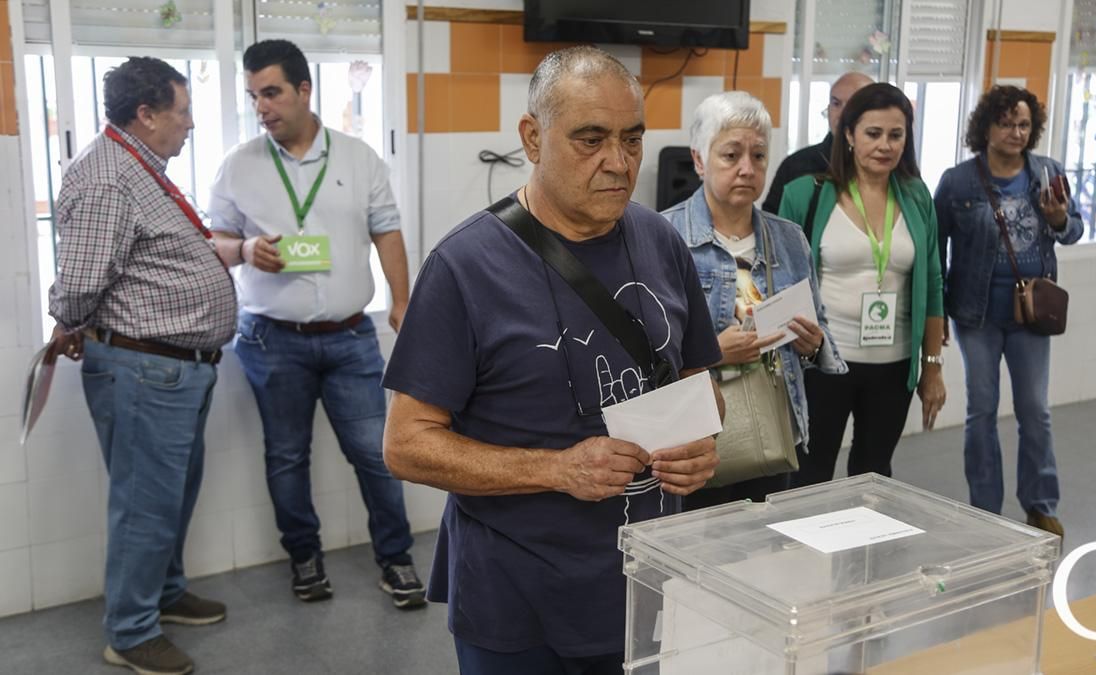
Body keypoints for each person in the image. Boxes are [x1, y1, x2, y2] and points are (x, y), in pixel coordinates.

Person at [381, 46, 722, 674]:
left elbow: (701, 375)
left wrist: (702, 437)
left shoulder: (660, 240)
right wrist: (557, 470)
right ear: (533, 138)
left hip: (648, 579)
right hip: (517, 599)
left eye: (632, 140)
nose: (618, 163)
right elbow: (406, 444)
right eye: (590, 140)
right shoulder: (464, 266)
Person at [208, 39, 425, 609]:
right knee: (286, 455)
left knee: (376, 453)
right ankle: (304, 558)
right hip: (271, 340)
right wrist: (247, 248)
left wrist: (402, 301)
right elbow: (215, 241)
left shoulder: (358, 159)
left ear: (305, 90)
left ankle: (396, 560)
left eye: (272, 92)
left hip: (351, 337)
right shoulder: (239, 166)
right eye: (254, 96)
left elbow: (387, 231)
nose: (262, 106)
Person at [47, 57, 236, 675]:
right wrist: (70, 321)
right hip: (142, 369)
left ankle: (164, 592)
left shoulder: (139, 168)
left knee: (171, 496)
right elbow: (77, 285)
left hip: (175, 367)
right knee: (145, 504)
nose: (188, 126)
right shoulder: (108, 177)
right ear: (146, 114)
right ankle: (129, 632)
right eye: (182, 114)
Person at [662, 91, 847, 509]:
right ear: (699, 160)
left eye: (759, 156)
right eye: (731, 155)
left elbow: (823, 339)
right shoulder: (662, 236)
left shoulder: (788, 238)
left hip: (772, 429)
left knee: (761, 555)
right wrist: (711, 355)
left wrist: (813, 344)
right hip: (693, 439)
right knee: (690, 558)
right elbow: (644, 359)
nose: (747, 169)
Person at [779, 83, 947, 488]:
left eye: (896, 134)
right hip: (822, 363)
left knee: (874, 479)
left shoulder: (917, 195)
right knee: (809, 477)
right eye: (873, 133)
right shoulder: (806, 194)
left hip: (894, 364)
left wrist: (932, 368)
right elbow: (781, 284)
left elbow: (933, 282)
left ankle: (863, 553)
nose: (885, 145)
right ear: (849, 134)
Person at [933, 86, 1082, 536]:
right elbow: (934, 250)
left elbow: (1073, 230)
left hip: (1031, 314)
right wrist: (936, 317)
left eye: (1023, 124)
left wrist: (1058, 219)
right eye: (1005, 123)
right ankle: (985, 508)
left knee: (1035, 410)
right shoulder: (958, 181)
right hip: (976, 314)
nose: (1016, 132)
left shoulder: (1047, 172)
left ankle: (1040, 505)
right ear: (986, 127)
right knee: (982, 410)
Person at [762, 71, 873, 215]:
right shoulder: (797, 166)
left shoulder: (886, 164)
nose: (842, 113)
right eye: (836, 103)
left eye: (853, 104)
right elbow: (770, 225)